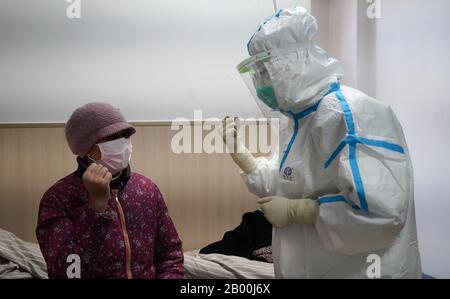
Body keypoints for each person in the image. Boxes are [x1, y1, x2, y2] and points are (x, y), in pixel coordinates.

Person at [223, 7, 421, 278]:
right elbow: (286, 184)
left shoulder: (347, 114)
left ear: (290, 65)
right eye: (256, 76)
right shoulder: (297, 121)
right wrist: (243, 158)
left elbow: (383, 213)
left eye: (264, 73)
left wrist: (303, 211)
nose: (260, 85)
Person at [36, 102, 184, 279]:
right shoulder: (58, 198)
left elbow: (170, 253)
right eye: (112, 137)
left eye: (125, 135)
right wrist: (96, 208)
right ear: (86, 148)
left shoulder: (146, 189)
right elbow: (66, 272)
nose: (123, 143)